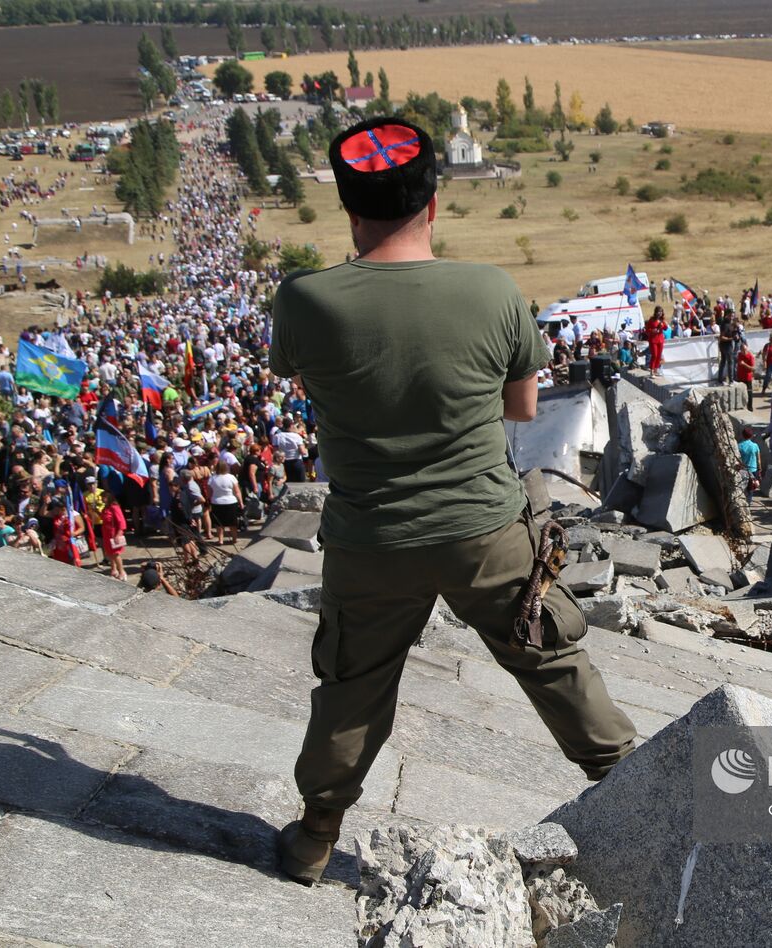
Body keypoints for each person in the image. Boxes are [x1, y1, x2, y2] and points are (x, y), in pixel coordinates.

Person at [270, 117, 635, 885]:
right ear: (434, 204)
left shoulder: (305, 299)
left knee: (353, 687)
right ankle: (632, 786)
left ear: (350, 210)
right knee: (551, 659)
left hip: (369, 540)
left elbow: (318, 384)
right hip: (485, 529)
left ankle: (314, 837)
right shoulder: (492, 288)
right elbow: (523, 408)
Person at [208, 459, 244, 545]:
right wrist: (241, 502)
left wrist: (209, 501)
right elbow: (237, 491)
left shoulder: (212, 478)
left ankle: (220, 539)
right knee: (232, 522)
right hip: (231, 501)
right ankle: (234, 539)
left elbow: (209, 492)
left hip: (216, 502)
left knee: (219, 523)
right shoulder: (231, 477)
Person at [100, 493, 128, 581]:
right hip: (107, 534)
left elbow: (121, 522)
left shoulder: (114, 507)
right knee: (109, 553)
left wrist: (118, 534)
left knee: (116, 554)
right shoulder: (106, 508)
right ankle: (114, 569)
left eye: (104, 497)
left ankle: (122, 571)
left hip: (114, 534)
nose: (102, 499)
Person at [737, 426, 760, 495]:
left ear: (743, 435)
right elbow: (758, 459)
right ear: (751, 436)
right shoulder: (755, 445)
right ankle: (749, 502)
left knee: (742, 487)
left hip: (743, 470)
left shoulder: (739, 445)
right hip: (753, 469)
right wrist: (760, 469)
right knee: (751, 488)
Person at [644, 306, 668, 375]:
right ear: (655, 312)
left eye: (661, 312)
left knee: (659, 355)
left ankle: (656, 369)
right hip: (653, 340)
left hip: (660, 339)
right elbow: (647, 329)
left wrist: (664, 323)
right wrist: (653, 330)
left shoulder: (662, 320)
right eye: (658, 312)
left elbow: (666, 328)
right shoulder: (652, 319)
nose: (659, 313)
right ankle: (651, 370)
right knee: (654, 355)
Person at [735, 340, 756, 411]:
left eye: (745, 349)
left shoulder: (750, 356)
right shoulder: (739, 355)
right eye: (743, 350)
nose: (744, 351)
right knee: (740, 392)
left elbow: (753, 369)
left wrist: (744, 364)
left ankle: (750, 407)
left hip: (747, 378)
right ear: (740, 350)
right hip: (740, 377)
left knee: (749, 393)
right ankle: (741, 406)